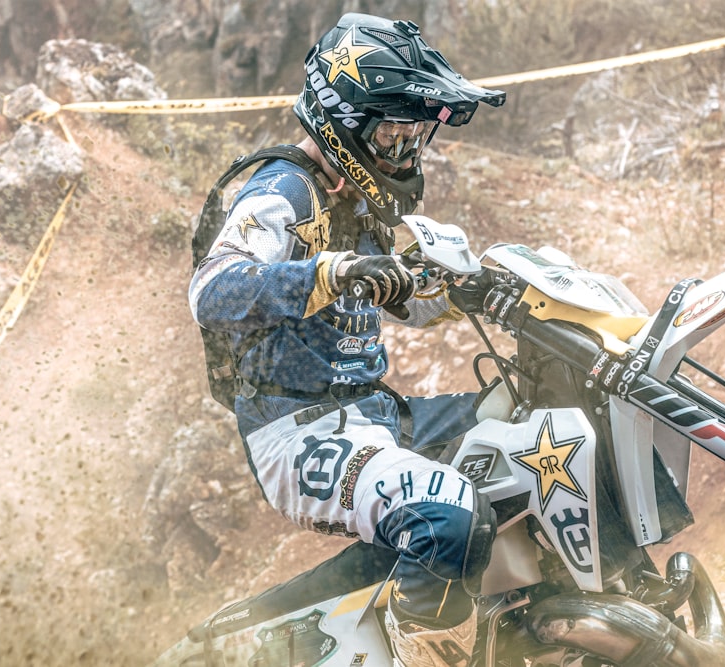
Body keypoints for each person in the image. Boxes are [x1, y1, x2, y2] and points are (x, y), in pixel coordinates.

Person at [188, 13, 506, 667]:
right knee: (448, 516)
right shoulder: (285, 191)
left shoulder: (355, 202)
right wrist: (331, 271)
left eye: (414, 135)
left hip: (376, 412)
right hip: (301, 432)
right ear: (346, 123)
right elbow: (211, 292)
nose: (406, 152)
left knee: (525, 420)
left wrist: (475, 291)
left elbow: (405, 300)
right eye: (393, 133)